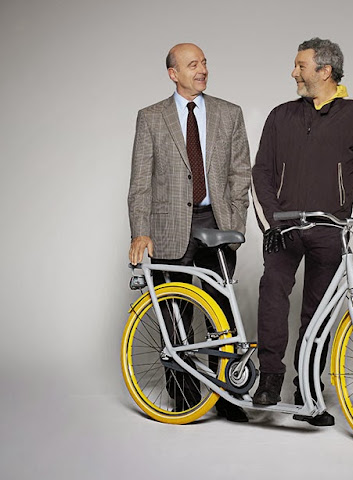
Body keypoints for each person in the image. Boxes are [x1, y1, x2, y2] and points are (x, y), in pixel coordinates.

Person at [251, 38, 353, 426]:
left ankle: (308, 388)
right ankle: (269, 379)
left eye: (300, 66)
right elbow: (261, 173)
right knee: (272, 295)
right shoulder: (280, 116)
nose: (293, 73)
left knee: (318, 313)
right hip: (284, 228)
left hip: (330, 230)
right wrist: (271, 222)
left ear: (325, 71)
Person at [128, 43, 251, 422]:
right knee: (175, 314)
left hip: (217, 223)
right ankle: (184, 398)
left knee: (222, 313)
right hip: (169, 226)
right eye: (193, 64)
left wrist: (235, 223)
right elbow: (140, 182)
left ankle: (228, 395)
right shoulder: (151, 118)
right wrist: (140, 232)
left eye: (204, 63)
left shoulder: (230, 114)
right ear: (173, 73)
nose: (202, 70)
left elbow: (241, 173)